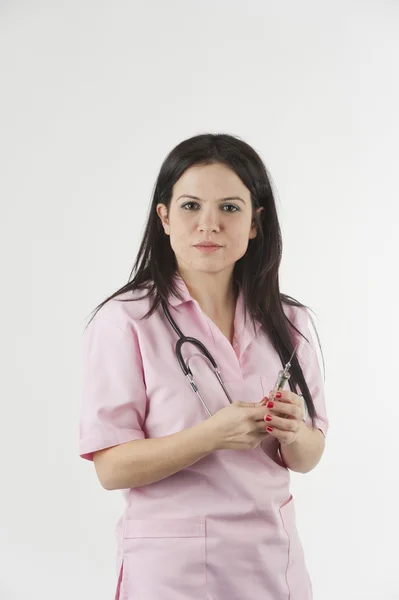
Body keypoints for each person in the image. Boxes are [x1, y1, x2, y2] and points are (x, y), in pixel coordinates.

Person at [79, 133, 328, 600]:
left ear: (256, 222)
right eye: (191, 206)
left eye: (230, 208)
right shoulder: (125, 322)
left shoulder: (289, 320)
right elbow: (111, 467)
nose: (209, 224)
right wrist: (211, 435)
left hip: (272, 563)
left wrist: (294, 432)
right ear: (165, 218)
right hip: (173, 572)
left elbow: (310, 456)